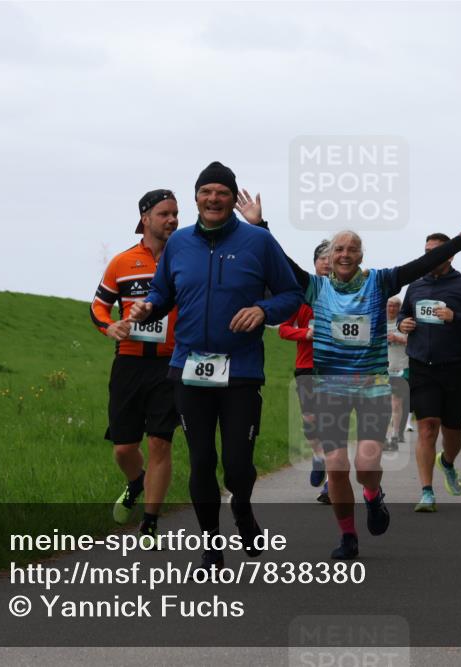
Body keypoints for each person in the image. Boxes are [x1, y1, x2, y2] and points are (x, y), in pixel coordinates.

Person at [237, 192, 461, 557]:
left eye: (352, 249)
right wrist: (259, 226)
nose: (344, 255)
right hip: (329, 387)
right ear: (329, 257)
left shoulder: (380, 282)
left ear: (361, 256)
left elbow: (424, 263)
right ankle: (347, 535)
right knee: (337, 467)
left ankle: (373, 497)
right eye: (338, 249)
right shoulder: (315, 288)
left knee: (365, 466)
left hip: (373, 387)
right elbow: (281, 261)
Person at [128, 162, 303, 570]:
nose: (213, 199)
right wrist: (147, 306)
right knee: (202, 459)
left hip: (240, 371)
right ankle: (210, 544)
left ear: (231, 197)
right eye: (206, 192)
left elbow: (291, 294)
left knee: (238, 466)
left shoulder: (258, 242)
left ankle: (242, 507)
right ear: (196, 198)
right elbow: (162, 292)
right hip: (189, 369)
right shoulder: (179, 243)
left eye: (222, 192)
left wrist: (263, 309)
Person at [90, 189, 179, 544]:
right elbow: (98, 306)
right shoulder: (122, 262)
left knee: (160, 443)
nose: (172, 220)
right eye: (164, 214)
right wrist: (108, 325)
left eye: (176, 213)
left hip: (170, 365)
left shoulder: (184, 259)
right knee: (124, 448)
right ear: (146, 218)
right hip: (128, 362)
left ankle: (151, 523)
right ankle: (135, 482)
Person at [398, 233, 461, 513]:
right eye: (425, 251)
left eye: (434, 252)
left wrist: (456, 317)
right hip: (421, 367)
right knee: (427, 427)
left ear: (449, 254)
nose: (428, 256)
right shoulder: (415, 286)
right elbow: (403, 314)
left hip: (455, 368)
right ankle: (426, 492)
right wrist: (403, 324)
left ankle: (448, 462)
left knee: (453, 432)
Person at [279, 240, 333, 504]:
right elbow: (283, 329)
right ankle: (318, 456)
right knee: (311, 423)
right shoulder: (301, 298)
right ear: (314, 263)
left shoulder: (344, 297)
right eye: (321, 257)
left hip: (335, 367)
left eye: (330, 258)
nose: (326, 262)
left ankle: (331, 486)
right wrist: (306, 333)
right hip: (306, 366)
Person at [384, 296, 410, 452]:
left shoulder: (403, 323)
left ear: (399, 308)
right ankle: (386, 436)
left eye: (394, 306)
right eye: (389, 305)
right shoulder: (380, 322)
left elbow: (413, 342)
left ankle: (394, 437)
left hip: (401, 367)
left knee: (396, 403)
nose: (391, 308)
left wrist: (397, 338)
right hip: (383, 368)